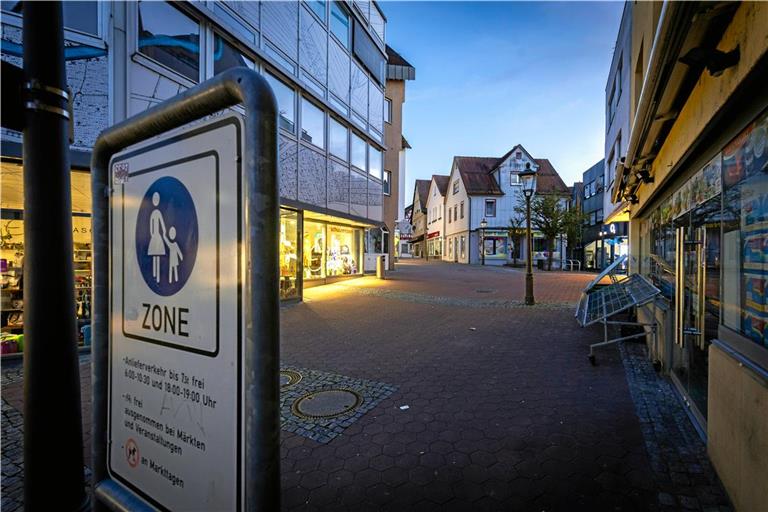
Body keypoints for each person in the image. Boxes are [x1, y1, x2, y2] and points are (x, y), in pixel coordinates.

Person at [148, 192, 167, 283]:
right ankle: (156, 276)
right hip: (157, 236)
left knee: (156, 256)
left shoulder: (155, 213)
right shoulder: (156, 213)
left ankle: (156, 275)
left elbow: (153, 226)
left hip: (155, 236)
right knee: (156, 256)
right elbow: (161, 224)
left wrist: (153, 234)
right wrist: (163, 232)